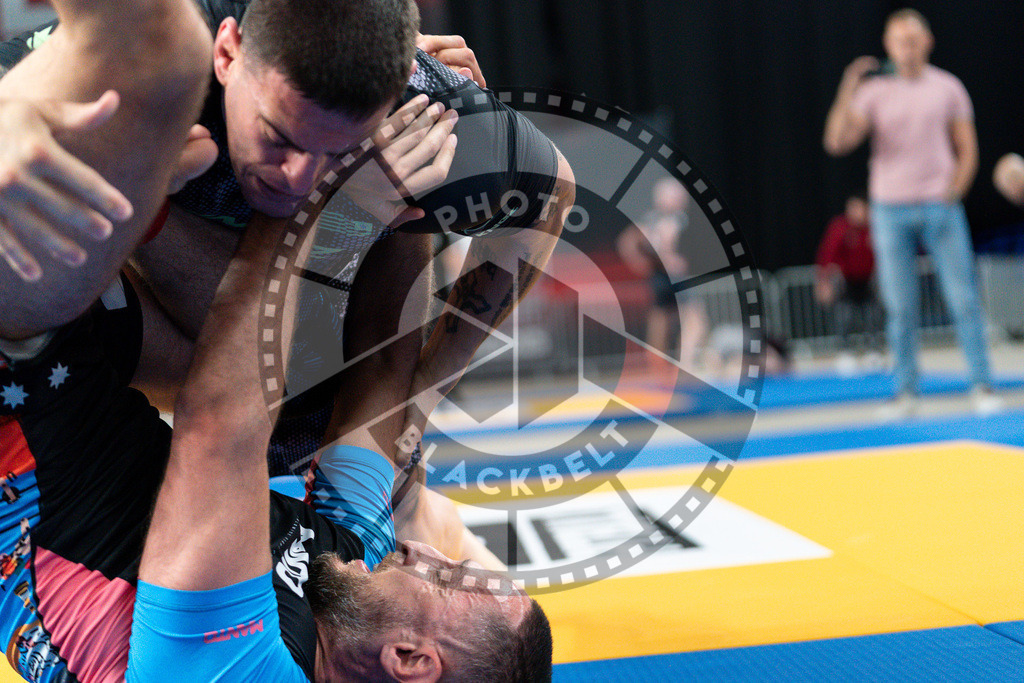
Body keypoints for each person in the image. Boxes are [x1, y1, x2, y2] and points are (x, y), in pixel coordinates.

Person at [0, 0, 574, 567]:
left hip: (312, 362)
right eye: (281, 137)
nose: (299, 176)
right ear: (228, 54)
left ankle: (413, 505)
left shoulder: (416, 108)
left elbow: (550, 195)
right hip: (157, 338)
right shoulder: (131, 67)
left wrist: (420, 401)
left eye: (335, 151)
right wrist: (14, 110)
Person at [823, 8, 1002, 417]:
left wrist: (954, 191)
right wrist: (849, 85)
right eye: (899, 39)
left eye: (914, 38)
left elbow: (967, 146)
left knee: (964, 298)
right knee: (900, 306)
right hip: (889, 209)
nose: (907, 46)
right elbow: (836, 141)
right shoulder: (874, 92)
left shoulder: (947, 87)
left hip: (939, 205)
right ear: (888, 44)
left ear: (927, 42)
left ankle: (982, 384)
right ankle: (905, 392)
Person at [616, 177, 707, 381]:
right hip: (673, 276)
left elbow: (627, 241)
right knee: (695, 321)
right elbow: (663, 240)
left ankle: (658, 368)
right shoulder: (673, 219)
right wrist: (668, 259)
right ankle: (686, 364)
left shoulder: (650, 219)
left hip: (658, 276)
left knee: (661, 321)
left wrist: (640, 262)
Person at [814, 192, 882, 369]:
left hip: (869, 279)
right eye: (851, 208)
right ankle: (845, 352)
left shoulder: (875, 226)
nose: (854, 212)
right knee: (845, 315)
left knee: (872, 315)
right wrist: (824, 281)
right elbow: (827, 254)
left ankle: (873, 351)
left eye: (858, 208)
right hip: (847, 281)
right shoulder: (840, 227)